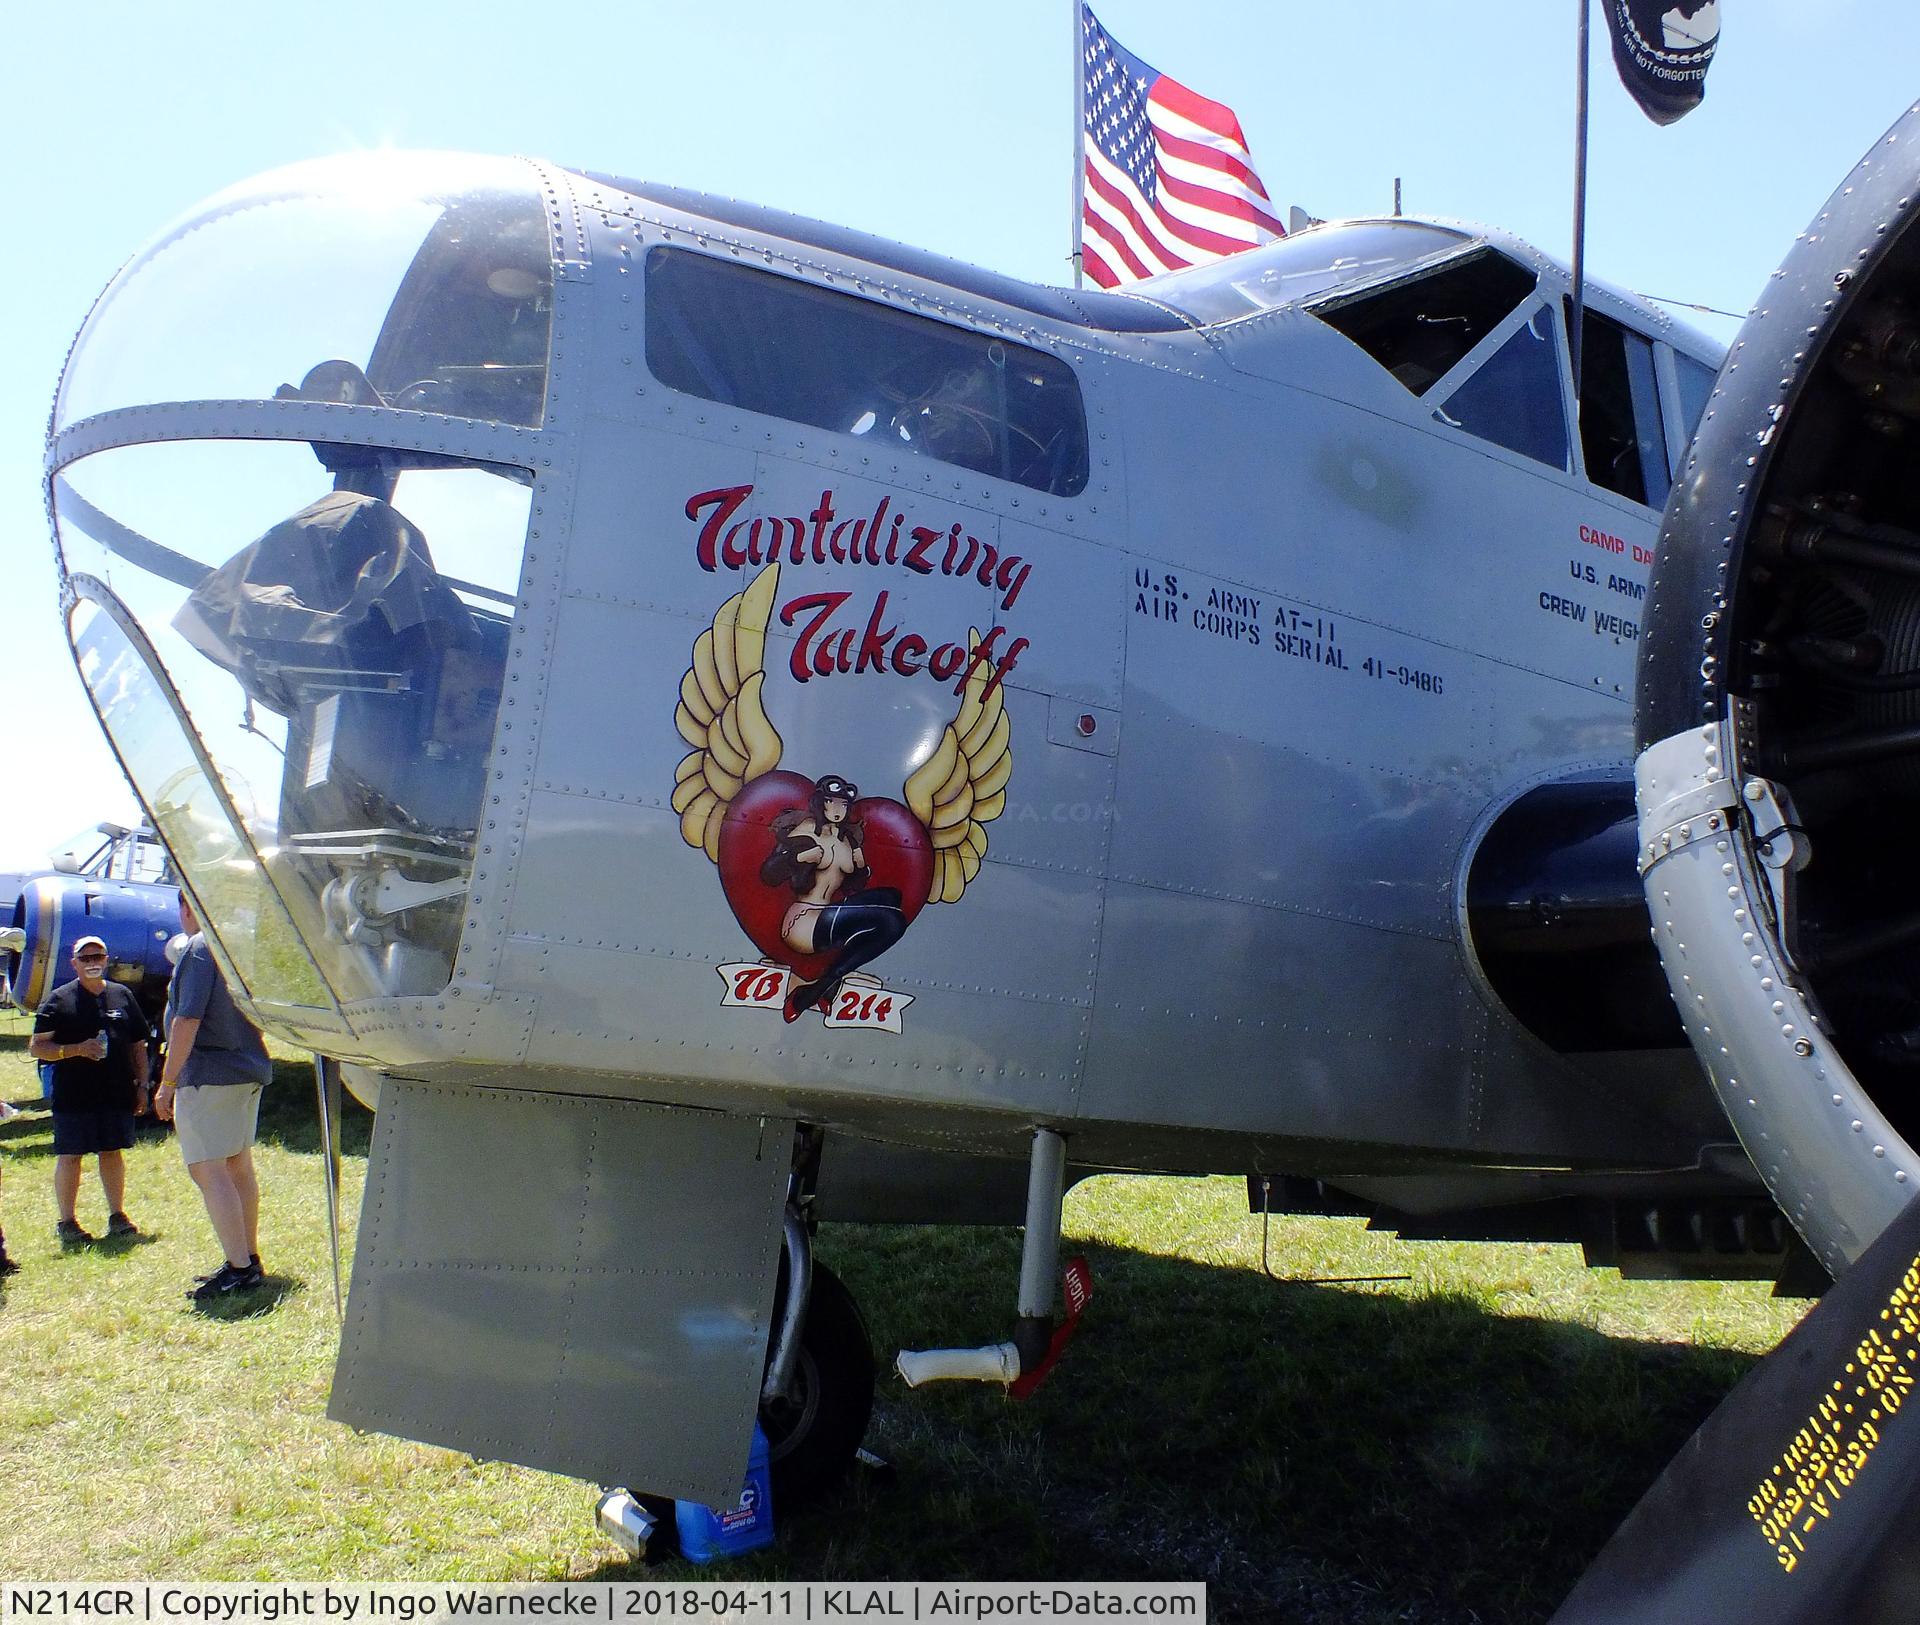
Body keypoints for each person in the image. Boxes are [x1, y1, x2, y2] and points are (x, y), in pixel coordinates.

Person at [153, 896, 271, 1300]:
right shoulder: (234, 947)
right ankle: (247, 1257)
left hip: (209, 1076)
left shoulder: (198, 948)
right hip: (246, 1069)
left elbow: (187, 1019)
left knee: (208, 1170)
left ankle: (240, 1268)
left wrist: (167, 1082)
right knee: (238, 1167)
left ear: (187, 908)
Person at [28, 935, 149, 1244]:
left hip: (116, 1090)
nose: (93, 962)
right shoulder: (58, 999)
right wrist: (76, 1050)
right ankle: (67, 1221)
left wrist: (142, 1086)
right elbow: (37, 1047)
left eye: (98, 956)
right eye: (86, 958)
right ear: (74, 964)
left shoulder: (123, 995)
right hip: (74, 1094)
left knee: (112, 1152)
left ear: (107, 960)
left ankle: (118, 1215)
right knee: (70, 1156)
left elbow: (137, 1044)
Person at [760, 774, 907, 1022]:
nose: (838, 809)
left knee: (891, 897)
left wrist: (860, 869)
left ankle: (821, 987)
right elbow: (769, 874)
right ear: (821, 803)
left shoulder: (848, 841)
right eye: (832, 802)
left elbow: (853, 887)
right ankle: (817, 990)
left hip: (827, 918)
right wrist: (797, 858)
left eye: (843, 804)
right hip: (804, 922)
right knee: (892, 921)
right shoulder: (806, 831)